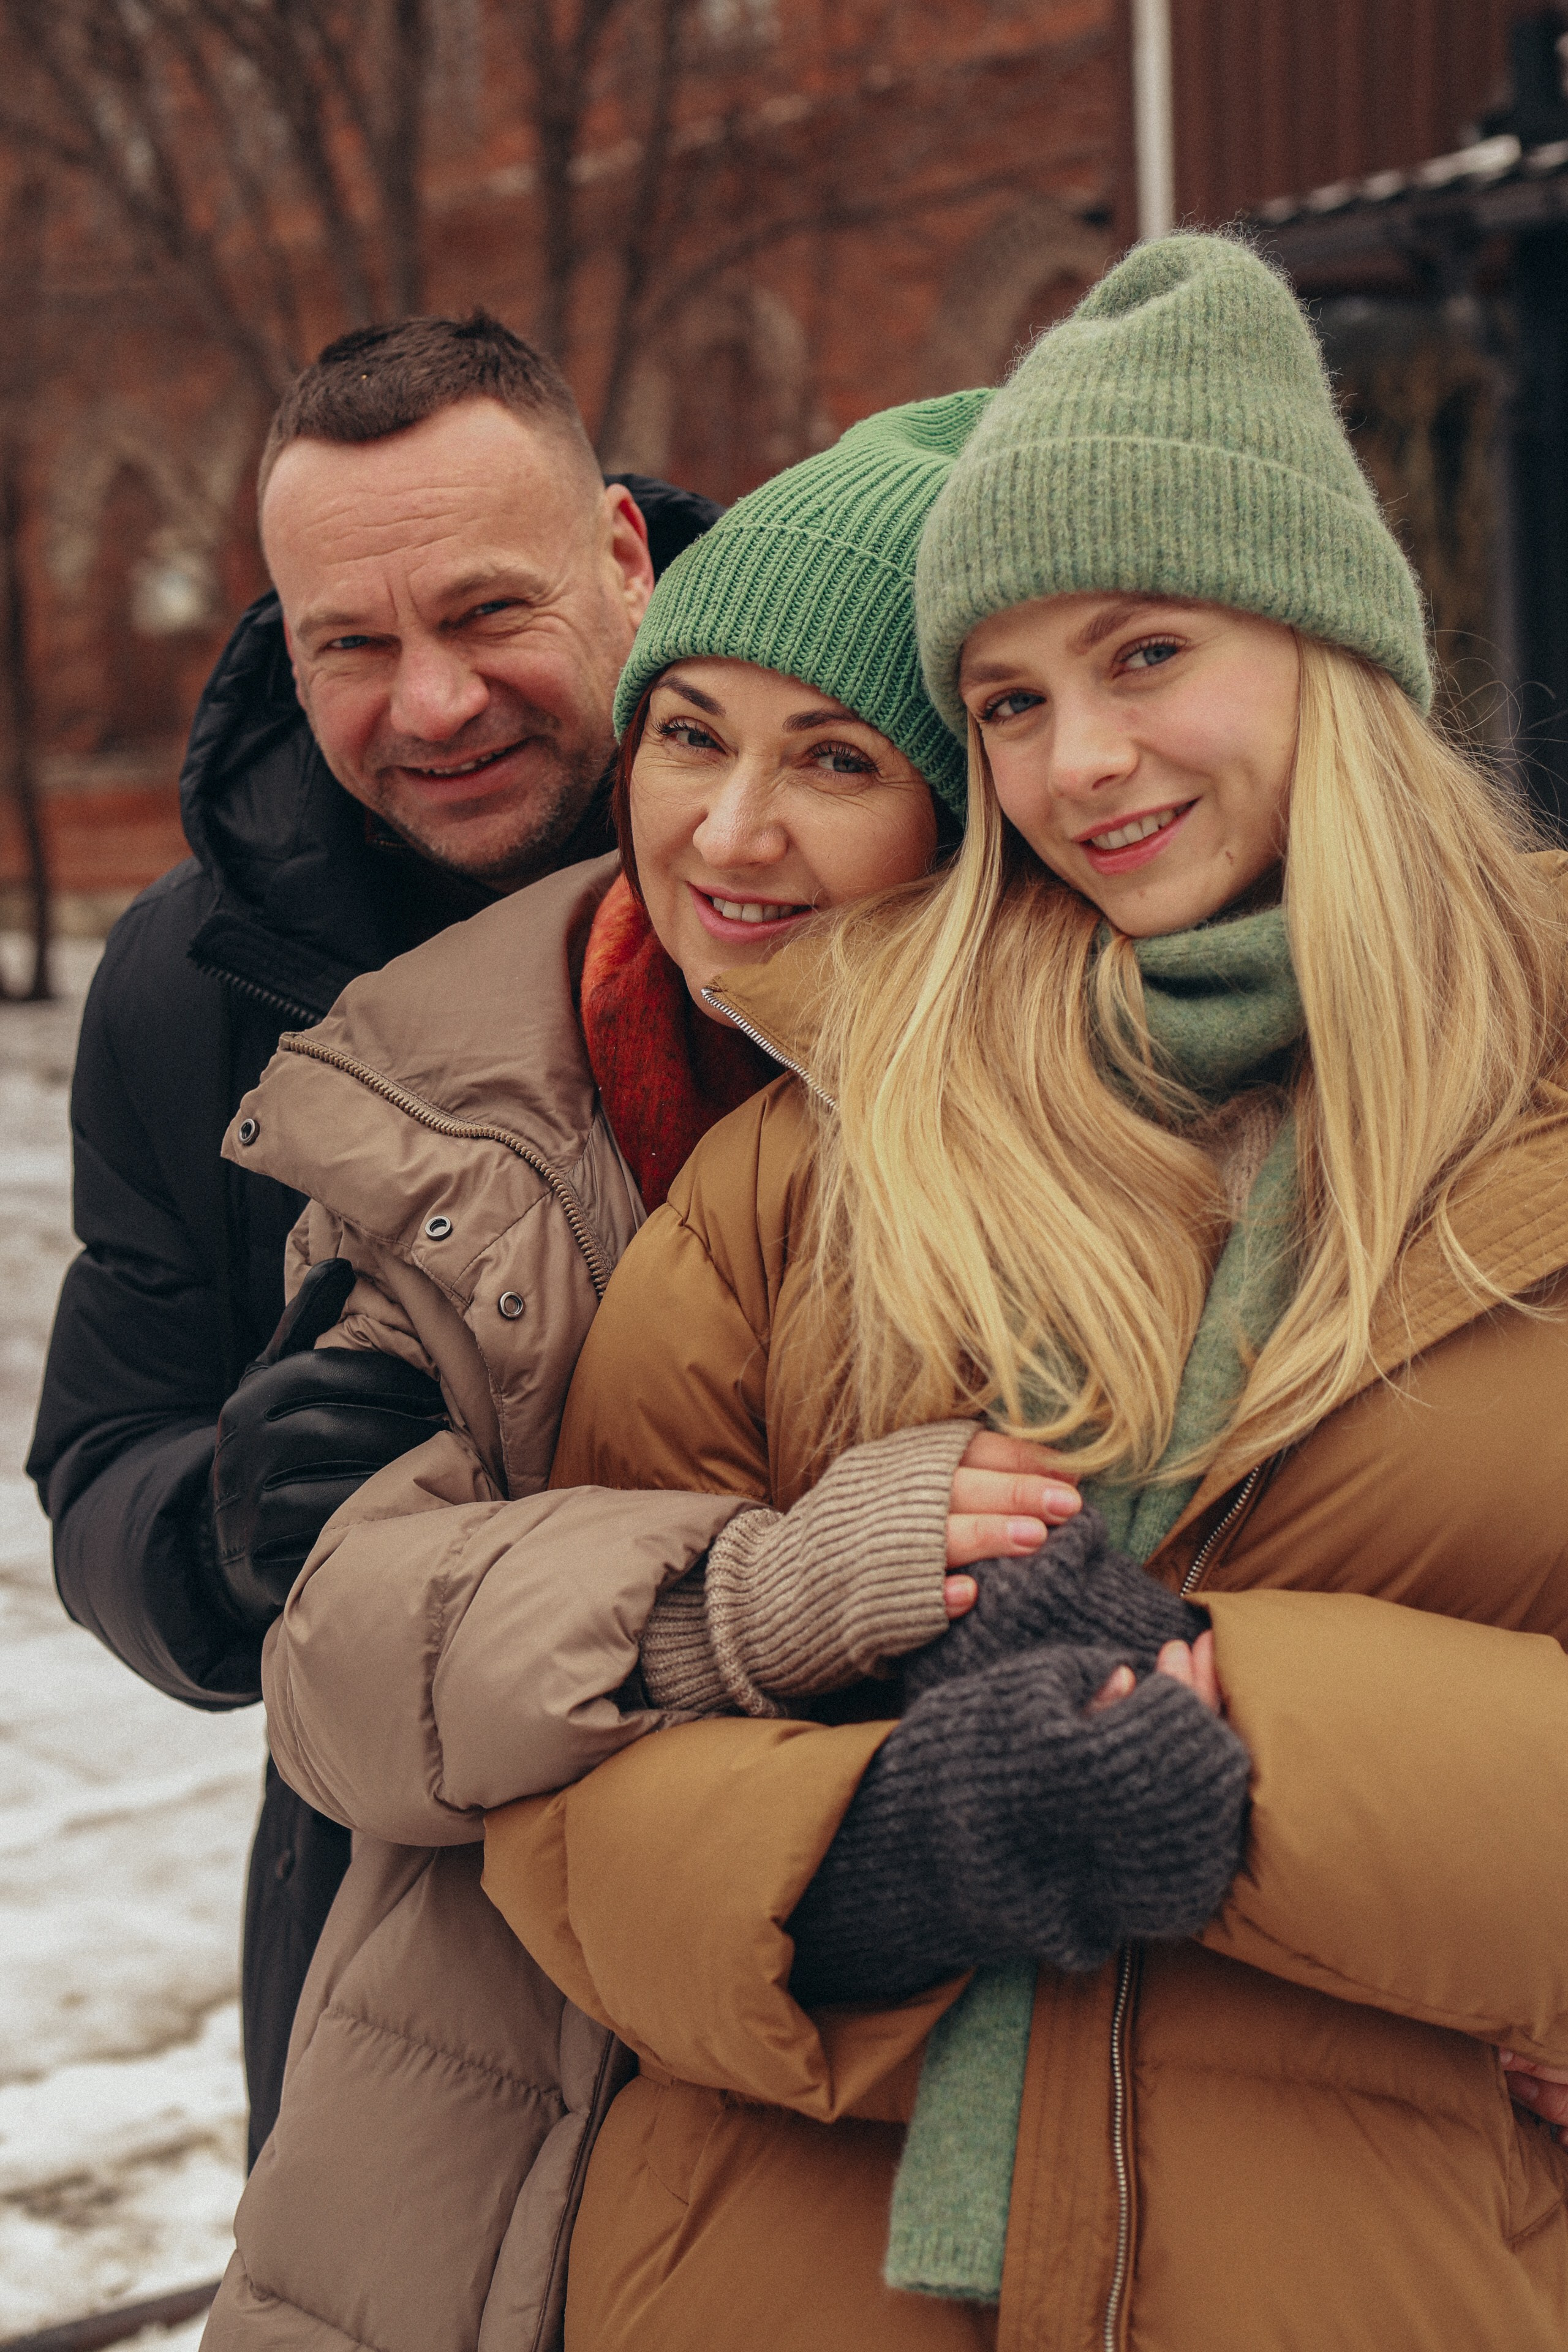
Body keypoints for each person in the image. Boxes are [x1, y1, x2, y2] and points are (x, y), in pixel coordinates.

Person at [484, 235, 1568, 2351]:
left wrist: (1230, 1718)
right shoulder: (813, 1163)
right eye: (1007, 701)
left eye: (1146, 652)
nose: (1079, 761)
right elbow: (560, 1760)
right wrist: (878, 1845)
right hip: (780, 2271)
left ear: (1330, 643)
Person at [199, 396, 1081, 2352]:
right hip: (469, 2100)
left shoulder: (1126, 1141)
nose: (730, 828)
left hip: (893, 2147)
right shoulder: (439, 1091)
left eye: (837, 759)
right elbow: (335, 1667)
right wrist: (745, 1596)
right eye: (690, 739)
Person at [24, 309, 720, 2157]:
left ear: (623, 560)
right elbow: (102, 1446)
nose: (430, 703)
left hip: (840, 1867)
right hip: (398, 1926)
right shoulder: (194, 982)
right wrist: (215, 1518)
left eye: (490, 614)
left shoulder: (850, 836)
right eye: (354, 643)